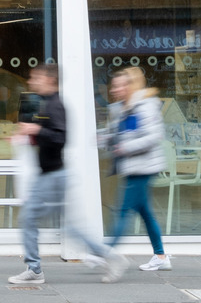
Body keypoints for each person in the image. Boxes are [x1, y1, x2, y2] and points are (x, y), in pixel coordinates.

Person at [7, 65, 127, 285]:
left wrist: (36, 131)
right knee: (63, 225)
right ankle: (107, 257)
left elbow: (61, 138)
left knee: (31, 219)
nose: (32, 81)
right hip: (50, 175)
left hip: (53, 176)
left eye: (37, 77)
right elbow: (48, 137)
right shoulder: (46, 104)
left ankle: (35, 270)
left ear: (50, 80)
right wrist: (28, 136)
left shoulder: (55, 105)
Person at [102, 67, 172, 277]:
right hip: (132, 167)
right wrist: (102, 138)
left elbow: (154, 137)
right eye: (115, 86)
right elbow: (115, 135)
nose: (116, 89)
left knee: (122, 211)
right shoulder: (119, 109)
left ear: (132, 86)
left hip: (144, 167)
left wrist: (126, 148)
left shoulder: (145, 106)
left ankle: (104, 253)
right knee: (145, 212)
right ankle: (160, 257)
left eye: (122, 85)